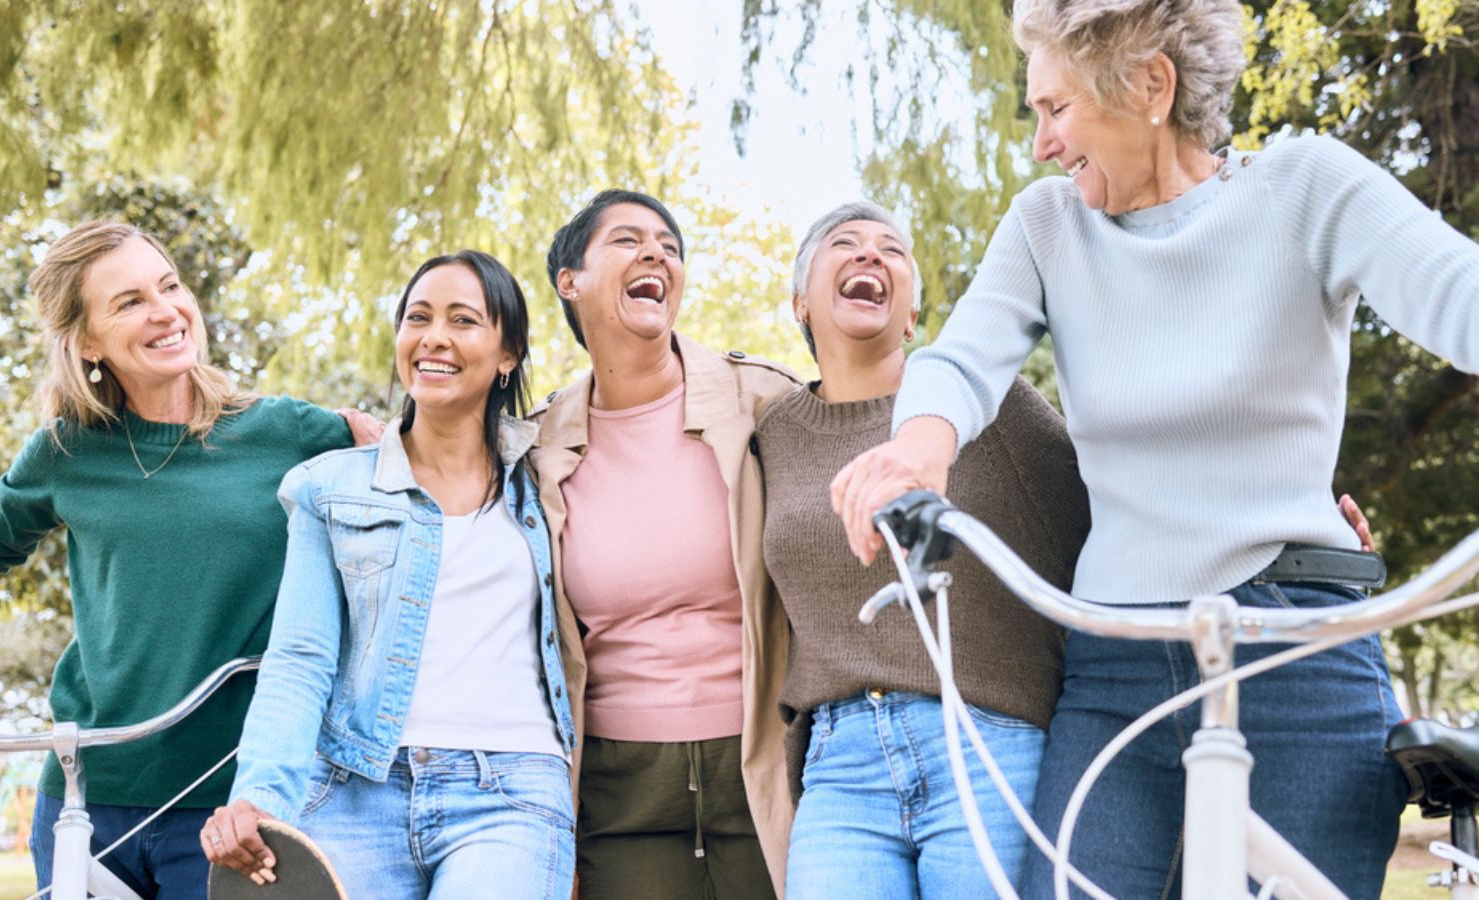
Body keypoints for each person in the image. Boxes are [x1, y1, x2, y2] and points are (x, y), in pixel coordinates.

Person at [831, 1, 1479, 897]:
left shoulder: (1307, 188)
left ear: (1149, 86)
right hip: (1117, 658)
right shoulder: (1047, 226)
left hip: (1297, 646)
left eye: (1055, 108)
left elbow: (1458, 293)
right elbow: (960, 360)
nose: (1042, 144)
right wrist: (918, 448)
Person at [0, 222, 363, 899]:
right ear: (86, 343)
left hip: (228, 805)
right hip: (84, 794)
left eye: (169, 286)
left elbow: (407, 481)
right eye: (129, 301)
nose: (165, 310)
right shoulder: (66, 452)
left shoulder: (285, 430)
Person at [202, 250, 576, 900]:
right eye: (418, 317)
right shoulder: (329, 488)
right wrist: (260, 792)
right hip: (354, 790)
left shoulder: (551, 481)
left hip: (510, 791)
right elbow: (300, 659)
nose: (434, 337)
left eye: (463, 320)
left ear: (508, 352)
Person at [757, 201, 1088, 899]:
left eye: (892, 250)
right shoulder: (770, 435)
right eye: (844, 244)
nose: (871, 256)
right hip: (839, 767)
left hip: (986, 738)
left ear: (911, 315)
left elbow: (1121, 499)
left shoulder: (988, 406)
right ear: (799, 304)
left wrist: (1292, 518)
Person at [531, 190, 798, 898]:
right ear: (570, 281)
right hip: (620, 788)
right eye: (626, 240)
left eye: (669, 246)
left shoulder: (764, 405)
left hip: (765, 761)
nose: (656, 253)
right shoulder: (532, 450)